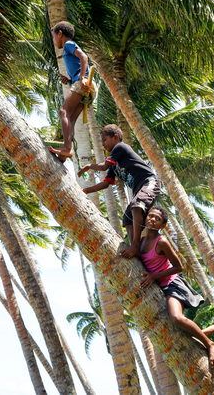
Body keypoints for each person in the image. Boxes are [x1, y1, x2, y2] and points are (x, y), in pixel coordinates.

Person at [139, 205, 214, 372]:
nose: (153, 219)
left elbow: (179, 267)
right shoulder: (140, 241)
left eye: (158, 219)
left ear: (162, 226)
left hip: (171, 284)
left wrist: (154, 276)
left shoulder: (161, 241)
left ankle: (210, 344)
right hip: (159, 286)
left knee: (176, 318)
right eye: (151, 216)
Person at [77, 124, 161, 258]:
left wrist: (89, 166)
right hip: (139, 189)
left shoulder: (120, 147)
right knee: (128, 217)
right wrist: (85, 190)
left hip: (149, 182)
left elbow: (104, 166)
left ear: (115, 138)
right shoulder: (114, 165)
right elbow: (105, 183)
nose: (103, 144)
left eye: (104, 140)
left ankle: (135, 246)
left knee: (136, 205)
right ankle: (136, 246)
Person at [48, 21, 97, 160]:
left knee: (63, 112)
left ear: (60, 34)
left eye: (54, 36)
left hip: (84, 82)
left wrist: (81, 79)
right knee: (71, 118)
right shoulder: (68, 48)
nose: (54, 40)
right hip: (88, 85)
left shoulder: (68, 44)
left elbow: (83, 57)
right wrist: (69, 80)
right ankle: (64, 155)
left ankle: (67, 148)